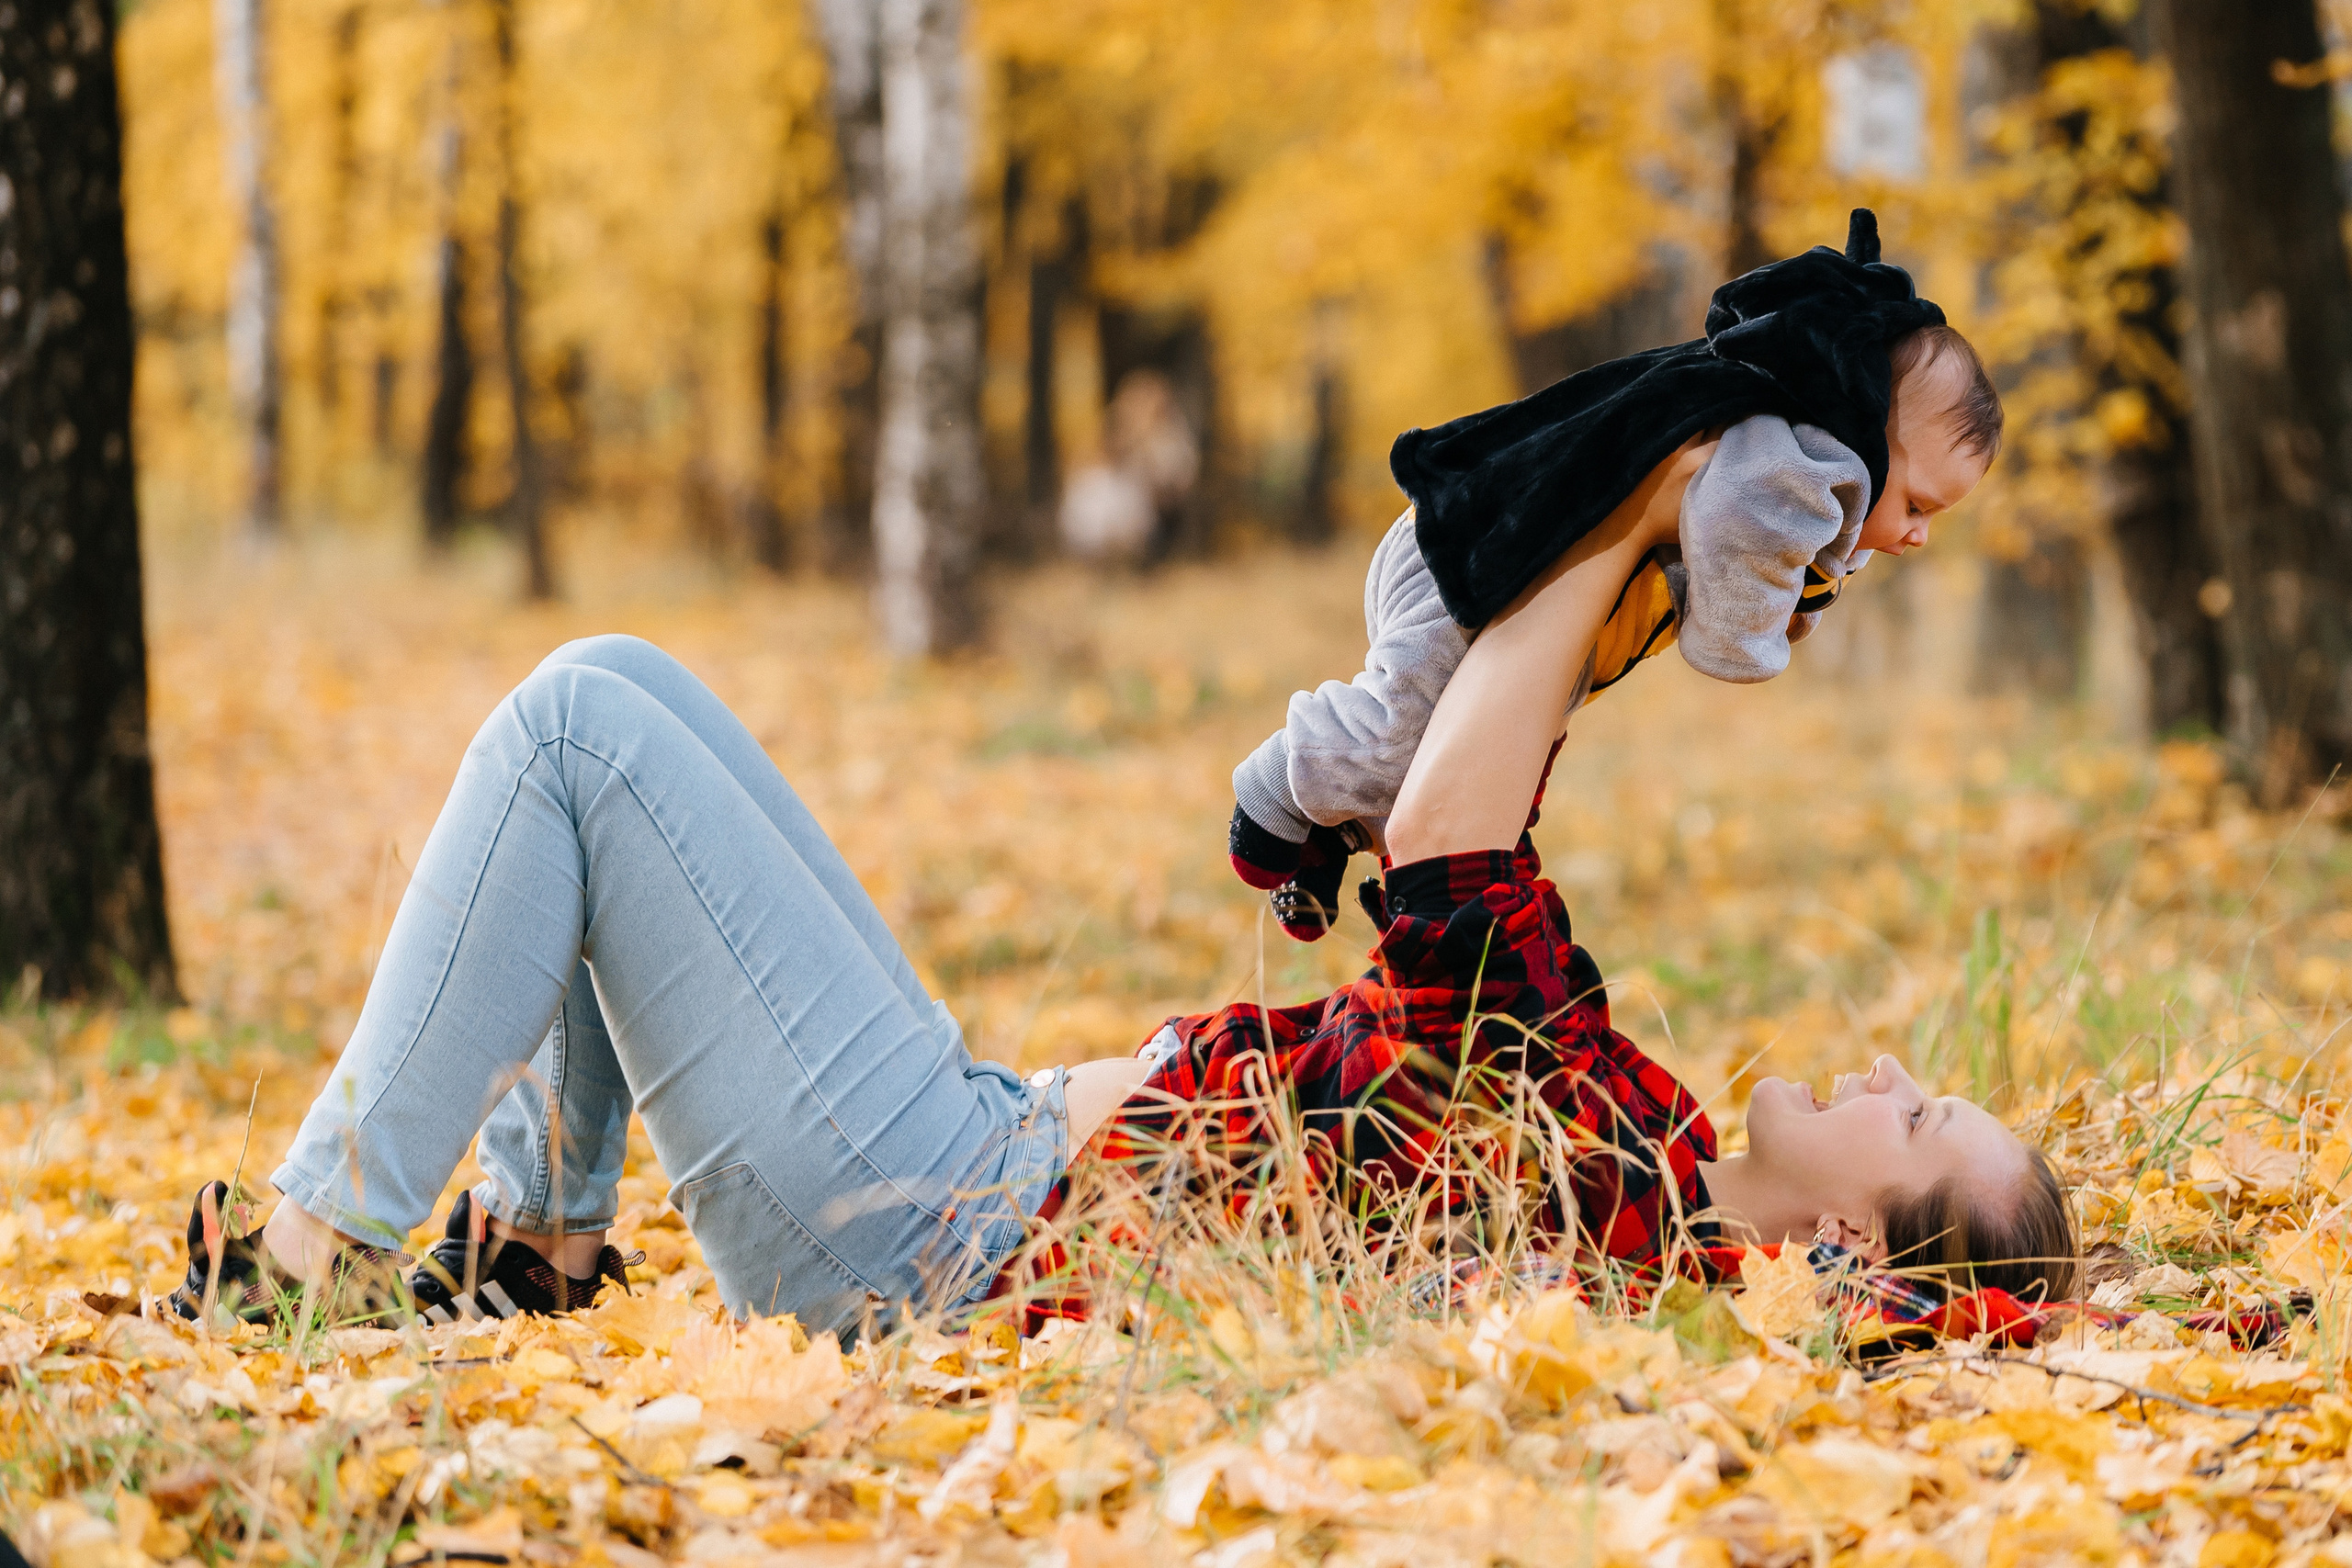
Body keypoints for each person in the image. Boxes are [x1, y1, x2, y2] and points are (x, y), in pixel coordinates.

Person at [172, 629, 2075, 1337]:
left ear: (1847, 1254)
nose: (1892, 1065)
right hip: (967, 1154)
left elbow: (1449, 866)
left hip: (928, 1223)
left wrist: (1617, 525)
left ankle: (325, 1242)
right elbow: (1475, 875)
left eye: (1915, 1114)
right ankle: (539, 1252)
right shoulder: (1635, 1145)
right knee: (624, 694)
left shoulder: (1637, 1203)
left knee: (579, 728)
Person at [1229, 212, 2003, 939]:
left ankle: (1326, 843)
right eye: (1915, 503)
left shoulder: (1809, 461)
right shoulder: (1786, 455)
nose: (1918, 533)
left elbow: (1803, 563)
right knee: (1402, 725)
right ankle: (1271, 794)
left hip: (1539, 593)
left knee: (1463, 758)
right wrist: (1749, 640)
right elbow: (1745, 542)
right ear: (1866, 431)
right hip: (1480, 554)